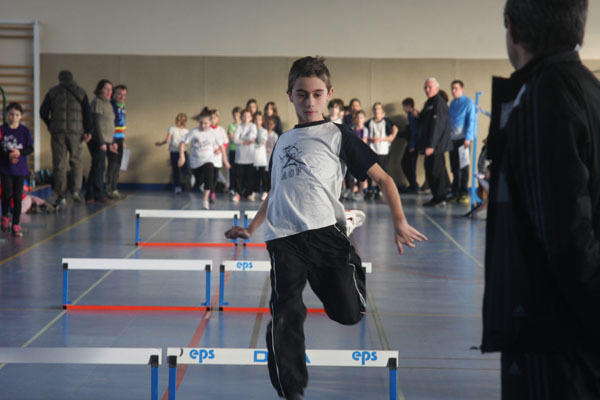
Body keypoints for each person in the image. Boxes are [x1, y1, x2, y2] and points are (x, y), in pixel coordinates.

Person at [224, 56, 426, 400]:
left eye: (317, 94)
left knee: (348, 313)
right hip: (283, 238)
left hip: (325, 234)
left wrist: (399, 221)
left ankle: (346, 228)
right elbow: (275, 191)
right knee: (285, 311)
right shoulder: (283, 140)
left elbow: (384, 179)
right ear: (290, 95)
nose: (309, 102)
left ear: (329, 95)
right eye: (302, 94)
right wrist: (251, 228)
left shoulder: (337, 134)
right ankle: (291, 390)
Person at [482, 0, 600, 398]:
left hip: (555, 340)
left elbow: (567, 237)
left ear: (512, 29)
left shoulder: (544, 97)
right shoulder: (587, 89)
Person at [39, 70, 92, 207]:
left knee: (59, 164)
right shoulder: (81, 92)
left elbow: (43, 112)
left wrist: (50, 124)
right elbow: (87, 113)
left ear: (60, 79)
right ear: (72, 78)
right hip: (76, 133)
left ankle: (61, 195)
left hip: (58, 133)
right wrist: (88, 131)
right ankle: (76, 191)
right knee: (76, 161)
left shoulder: (52, 92)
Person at [178, 111, 228, 210]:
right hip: (195, 163)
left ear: (210, 123)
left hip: (208, 160)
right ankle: (202, 185)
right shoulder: (194, 132)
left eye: (205, 123)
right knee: (199, 182)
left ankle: (205, 200)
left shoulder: (213, 133)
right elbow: (182, 143)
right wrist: (182, 156)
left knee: (210, 173)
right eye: (201, 123)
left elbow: (222, 146)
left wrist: (225, 160)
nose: (203, 125)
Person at [417, 78, 452, 207]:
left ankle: (441, 198)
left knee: (436, 171)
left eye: (430, 87)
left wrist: (431, 145)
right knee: (430, 170)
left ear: (436, 88)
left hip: (436, 146)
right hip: (430, 145)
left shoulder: (439, 103)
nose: (427, 90)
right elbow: (425, 120)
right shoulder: (429, 102)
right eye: (425, 87)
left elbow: (438, 126)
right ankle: (436, 197)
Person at [0, 102, 34, 237]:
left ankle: (16, 223)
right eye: (11, 114)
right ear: (6, 115)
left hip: (20, 170)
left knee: (18, 196)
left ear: (21, 116)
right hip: (6, 169)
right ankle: (5, 217)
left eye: (16, 115)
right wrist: (8, 155)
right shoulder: (2, 130)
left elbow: (30, 148)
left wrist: (19, 153)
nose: (13, 117)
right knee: (6, 194)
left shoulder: (24, 131)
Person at [86, 79, 115, 203]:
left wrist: (112, 142)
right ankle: (99, 194)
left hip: (106, 140)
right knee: (99, 167)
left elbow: (109, 124)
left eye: (110, 89)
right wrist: (101, 142)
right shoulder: (97, 102)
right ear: (100, 90)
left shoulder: (108, 103)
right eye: (106, 89)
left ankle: (90, 194)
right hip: (98, 140)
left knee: (97, 167)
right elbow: (96, 123)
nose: (109, 92)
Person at [448, 80, 477, 204]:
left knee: (463, 167)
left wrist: (468, 138)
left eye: (456, 88)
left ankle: (463, 193)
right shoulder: (452, 104)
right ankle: (455, 193)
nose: (453, 91)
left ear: (462, 89)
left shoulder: (468, 103)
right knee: (454, 167)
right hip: (452, 139)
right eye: (452, 88)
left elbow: (471, 121)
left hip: (464, 139)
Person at [365, 102, 398, 200]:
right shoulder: (369, 122)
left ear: (382, 111)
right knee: (370, 171)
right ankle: (370, 190)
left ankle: (380, 190)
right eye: (375, 109)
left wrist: (385, 139)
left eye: (379, 109)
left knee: (383, 171)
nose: (377, 111)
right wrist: (370, 139)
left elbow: (395, 129)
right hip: (372, 150)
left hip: (383, 150)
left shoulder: (386, 121)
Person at [155, 113, 190, 193]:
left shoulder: (172, 129)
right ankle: (188, 180)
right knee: (185, 169)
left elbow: (167, 140)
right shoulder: (186, 131)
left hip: (174, 152)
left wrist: (160, 143)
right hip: (183, 152)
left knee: (176, 170)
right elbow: (187, 143)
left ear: (176, 120)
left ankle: (178, 187)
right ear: (185, 122)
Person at [233, 108, 258, 202]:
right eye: (244, 116)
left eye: (248, 116)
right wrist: (244, 141)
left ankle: (249, 194)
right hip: (240, 156)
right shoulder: (239, 127)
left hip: (250, 156)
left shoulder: (253, 126)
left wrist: (241, 138)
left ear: (251, 117)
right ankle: (238, 194)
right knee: (238, 177)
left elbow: (252, 137)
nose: (246, 118)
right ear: (241, 117)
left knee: (250, 177)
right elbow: (235, 139)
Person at [107, 84, 127, 199]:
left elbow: (121, 125)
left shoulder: (122, 107)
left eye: (124, 95)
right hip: (112, 140)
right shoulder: (111, 106)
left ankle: (114, 189)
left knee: (118, 165)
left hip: (120, 140)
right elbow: (110, 125)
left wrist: (122, 140)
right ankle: (109, 189)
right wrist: (113, 141)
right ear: (114, 94)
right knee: (112, 165)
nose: (122, 97)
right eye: (119, 94)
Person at [401, 98, 420, 193]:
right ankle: (413, 184)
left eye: (404, 106)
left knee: (407, 164)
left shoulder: (412, 115)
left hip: (414, 144)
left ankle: (414, 185)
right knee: (410, 164)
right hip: (415, 143)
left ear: (408, 106)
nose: (403, 109)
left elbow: (414, 131)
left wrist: (412, 145)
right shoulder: (413, 114)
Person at [210, 108, 230, 200]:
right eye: (211, 118)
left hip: (217, 157)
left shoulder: (221, 130)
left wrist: (219, 150)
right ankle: (210, 191)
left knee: (215, 175)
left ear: (217, 119)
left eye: (214, 118)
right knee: (209, 175)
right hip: (208, 157)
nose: (212, 120)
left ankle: (212, 191)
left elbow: (225, 142)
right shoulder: (207, 130)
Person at [253, 112, 269, 201]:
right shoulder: (251, 130)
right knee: (255, 175)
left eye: (259, 119)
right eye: (255, 119)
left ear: (262, 121)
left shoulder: (264, 131)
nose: (257, 121)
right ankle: (255, 191)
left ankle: (265, 191)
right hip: (253, 156)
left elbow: (262, 141)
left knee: (263, 174)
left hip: (261, 156)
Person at [227, 107, 241, 197]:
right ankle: (232, 187)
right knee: (232, 169)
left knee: (239, 171)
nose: (236, 117)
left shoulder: (242, 125)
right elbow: (232, 138)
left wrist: (239, 139)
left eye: (238, 115)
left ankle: (238, 188)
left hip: (241, 151)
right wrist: (241, 139)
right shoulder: (231, 126)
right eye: (234, 115)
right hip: (232, 150)